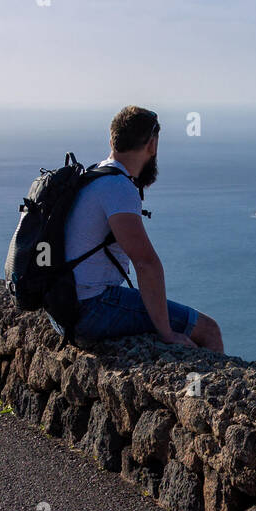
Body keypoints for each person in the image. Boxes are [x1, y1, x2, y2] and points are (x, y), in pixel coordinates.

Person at [57, 105, 223, 353]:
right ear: (152, 145)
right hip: (91, 308)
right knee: (209, 331)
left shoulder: (93, 175)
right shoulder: (118, 187)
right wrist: (166, 333)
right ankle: (201, 391)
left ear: (113, 140)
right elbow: (146, 264)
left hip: (62, 308)